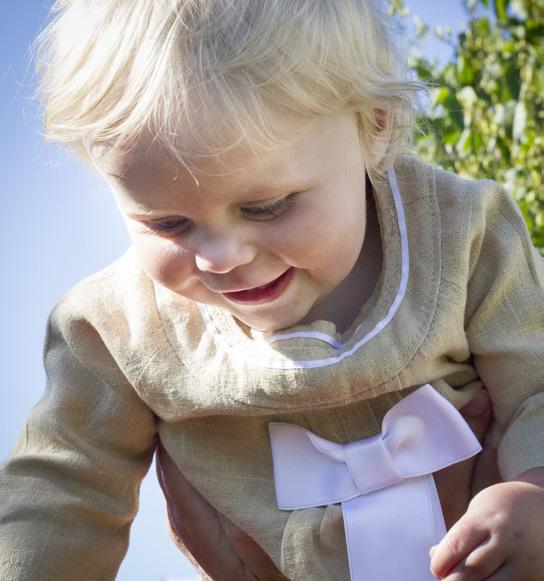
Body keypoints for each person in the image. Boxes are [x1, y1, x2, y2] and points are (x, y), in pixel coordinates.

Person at [0, 0, 543, 580]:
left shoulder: (462, 233)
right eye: (167, 224)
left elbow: (536, 383)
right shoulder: (115, 330)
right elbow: (60, 491)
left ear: (375, 126)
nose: (221, 257)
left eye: (266, 206)